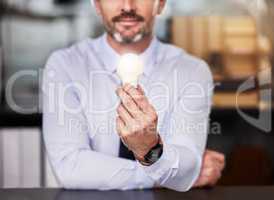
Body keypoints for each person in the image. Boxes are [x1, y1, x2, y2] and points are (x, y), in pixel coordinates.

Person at [42, 0, 225, 192]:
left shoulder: (192, 71)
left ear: (161, 4)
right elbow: (70, 167)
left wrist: (151, 150)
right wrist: (161, 170)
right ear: (96, 5)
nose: (128, 7)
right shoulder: (65, 65)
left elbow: (187, 164)